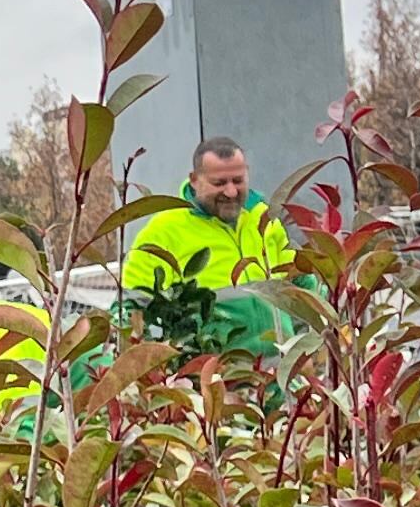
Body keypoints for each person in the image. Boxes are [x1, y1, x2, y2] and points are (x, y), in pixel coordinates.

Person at [121, 136, 298, 351]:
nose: (231, 191)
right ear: (194, 180)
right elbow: (130, 312)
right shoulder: (163, 232)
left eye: (238, 180)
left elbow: (302, 284)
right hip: (215, 379)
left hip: (282, 377)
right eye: (219, 183)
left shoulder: (264, 218)